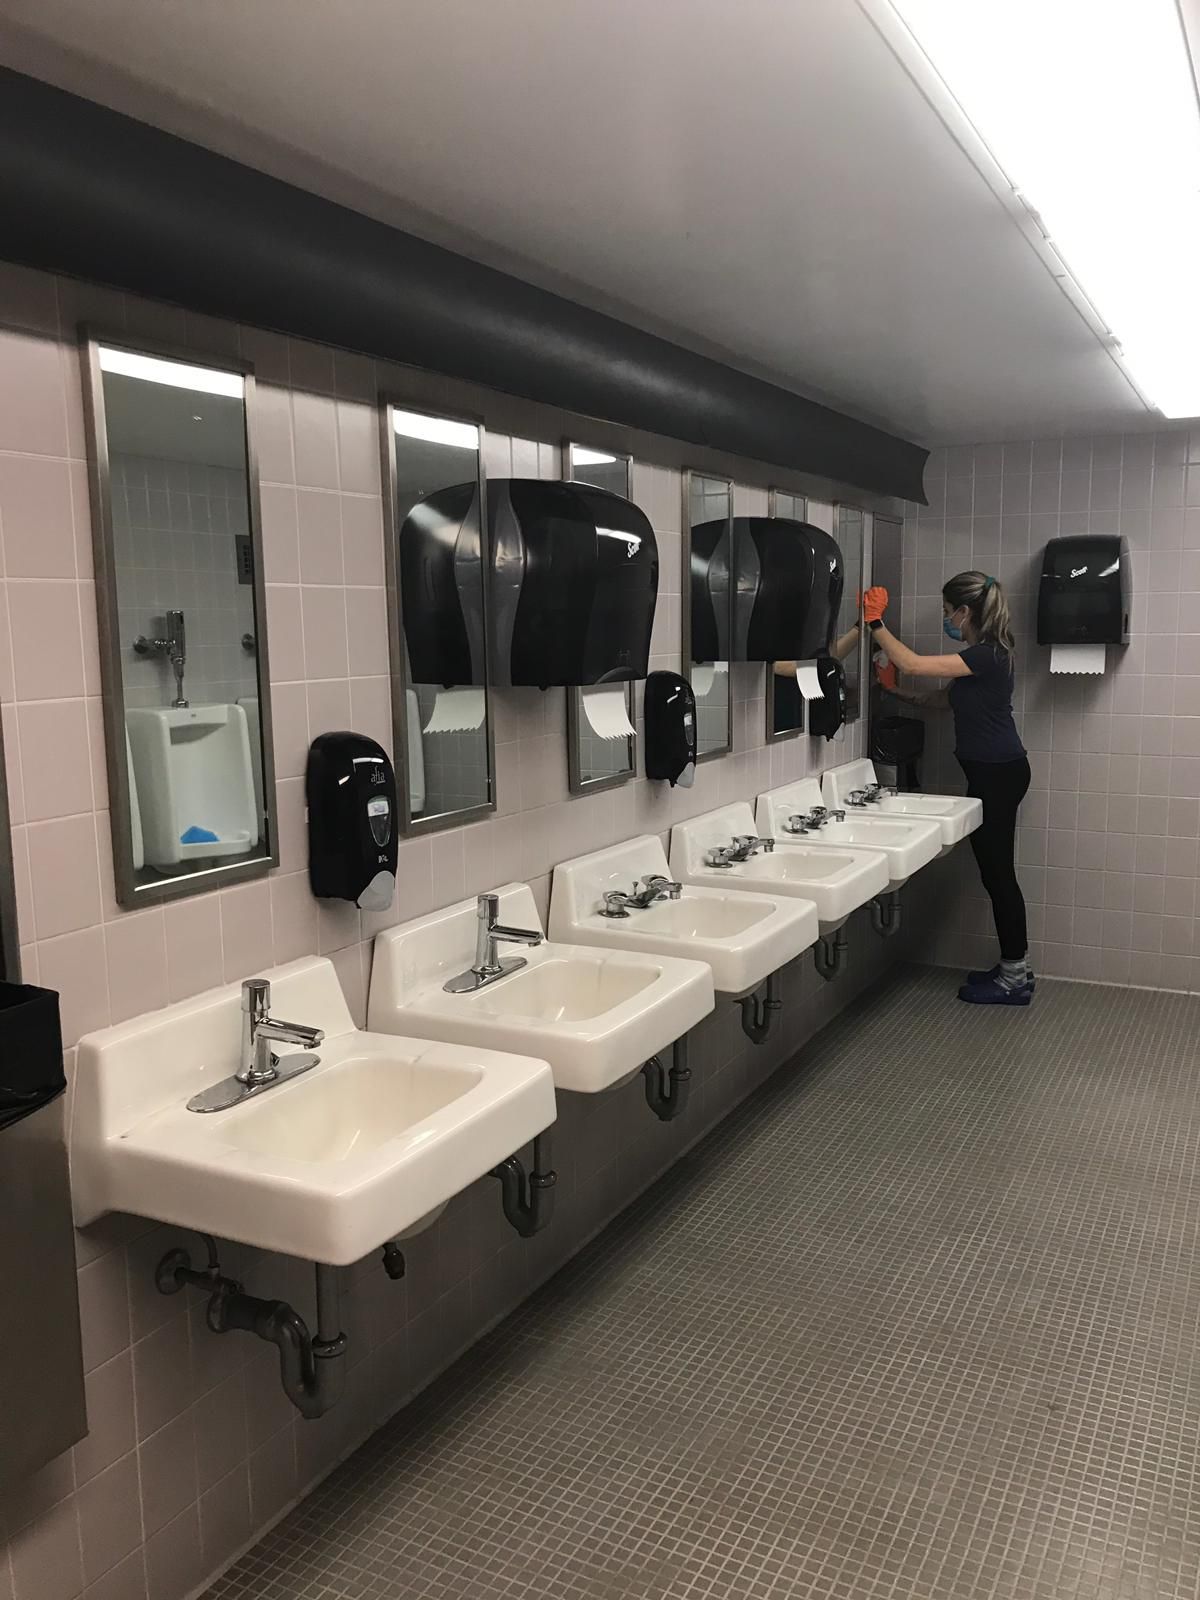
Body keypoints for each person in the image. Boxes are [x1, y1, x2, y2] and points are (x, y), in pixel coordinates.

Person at [862, 573, 1033, 1007]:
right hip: (995, 772)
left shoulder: (988, 654)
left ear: (965, 612)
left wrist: (875, 624)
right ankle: (1015, 968)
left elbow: (916, 663)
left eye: (946, 612)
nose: (946, 619)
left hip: (999, 773)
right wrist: (894, 691)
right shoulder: (981, 658)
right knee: (995, 873)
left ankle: (1014, 976)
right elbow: (942, 700)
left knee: (998, 875)